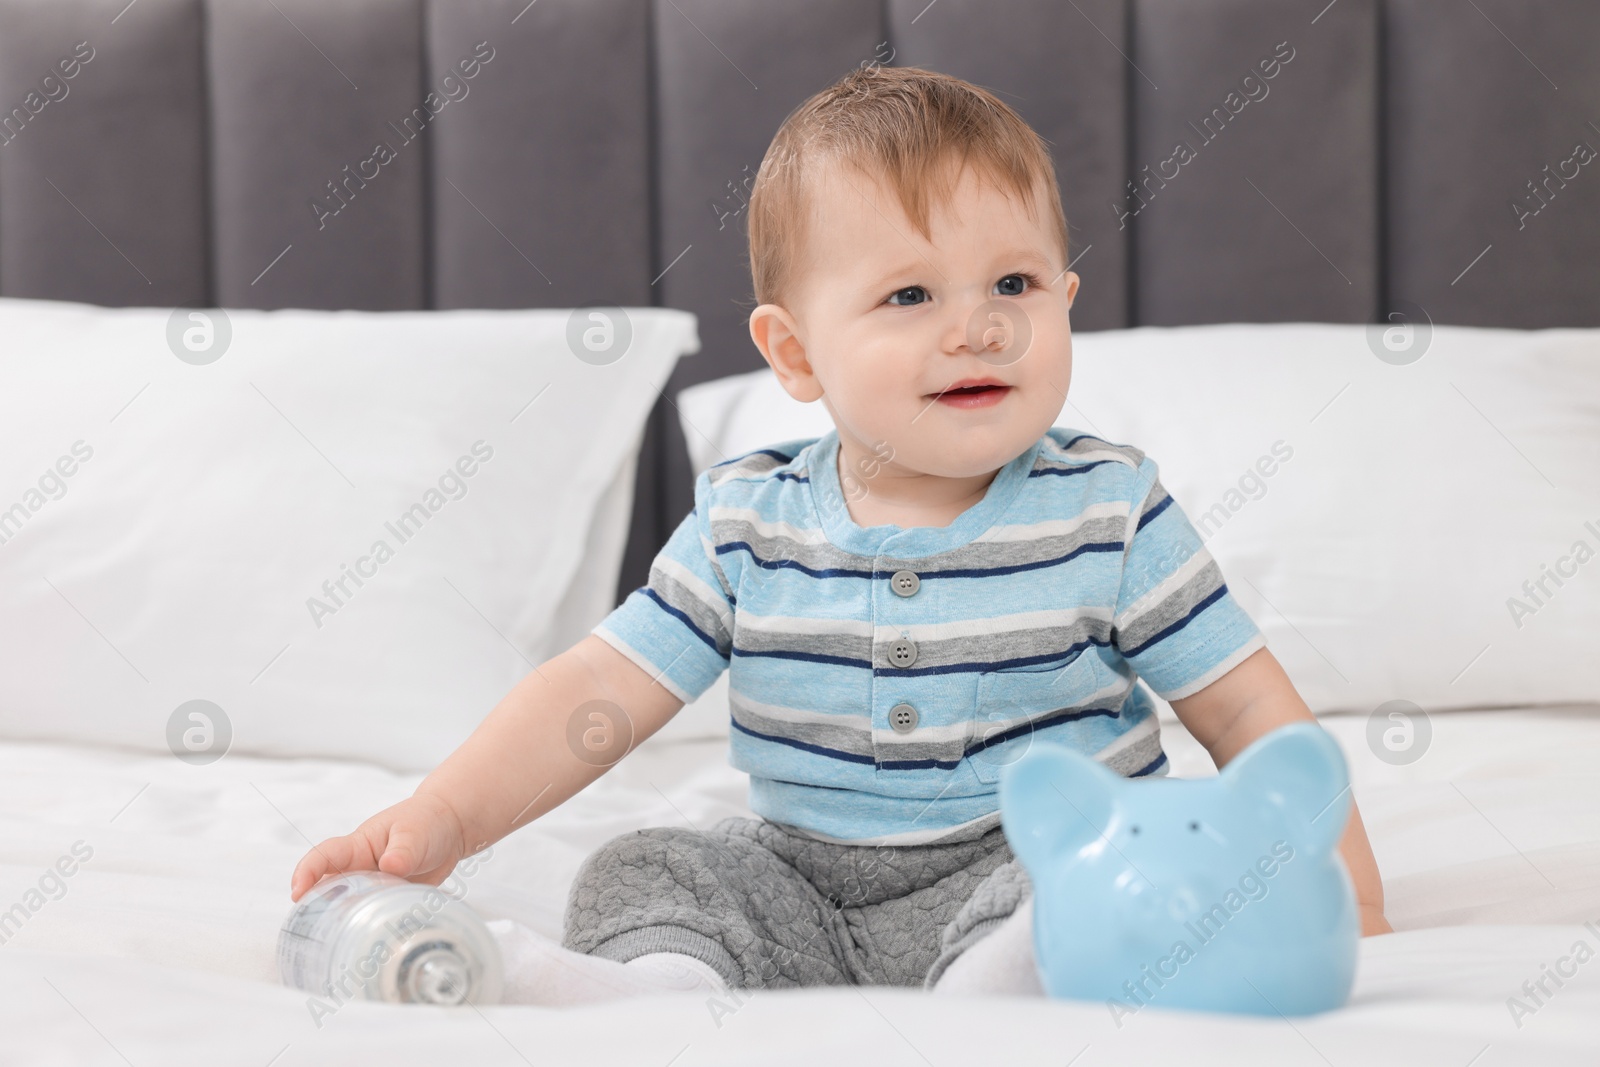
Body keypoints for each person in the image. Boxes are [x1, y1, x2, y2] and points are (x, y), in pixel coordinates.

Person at [290, 64, 1390, 1004]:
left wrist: (1341, 883)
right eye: (909, 293)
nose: (978, 323)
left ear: (1063, 297)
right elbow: (595, 695)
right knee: (652, 866)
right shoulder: (745, 521)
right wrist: (442, 817)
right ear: (796, 354)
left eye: (1013, 281)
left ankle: (1005, 986)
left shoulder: (1106, 507)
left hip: (1040, 857)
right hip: (807, 887)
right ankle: (663, 991)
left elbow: (1244, 705)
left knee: (1122, 863)